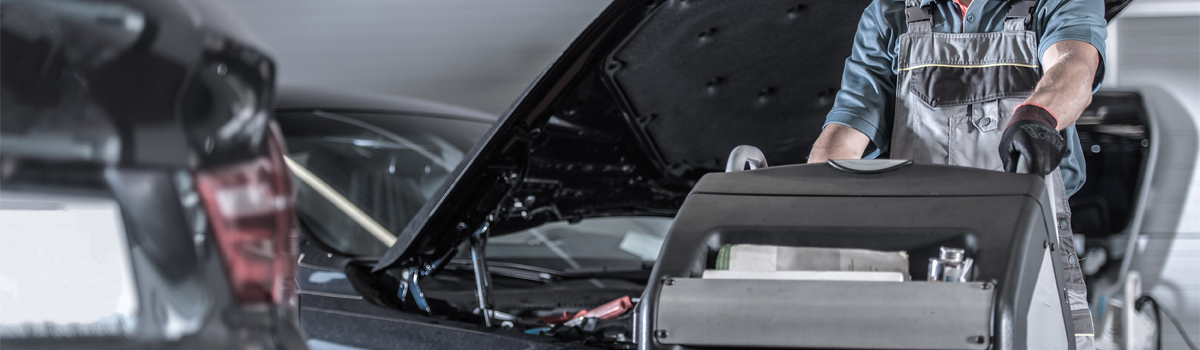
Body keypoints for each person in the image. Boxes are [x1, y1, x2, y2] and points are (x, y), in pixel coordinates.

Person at [807, 0, 1106, 348]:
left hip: (1032, 248)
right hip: (917, 253)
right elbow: (850, 121)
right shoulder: (888, 13)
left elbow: (1075, 66)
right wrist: (813, 202)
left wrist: (1038, 115)